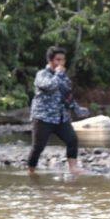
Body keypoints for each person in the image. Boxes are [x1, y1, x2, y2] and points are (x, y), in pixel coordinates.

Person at [28, 45, 85, 175]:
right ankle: (31, 172)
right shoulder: (41, 74)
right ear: (50, 61)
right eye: (58, 60)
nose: (61, 63)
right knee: (38, 148)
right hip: (43, 117)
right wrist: (59, 74)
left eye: (63, 60)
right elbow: (49, 86)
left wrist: (77, 108)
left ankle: (73, 168)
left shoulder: (63, 76)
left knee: (72, 140)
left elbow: (67, 95)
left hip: (61, 117)